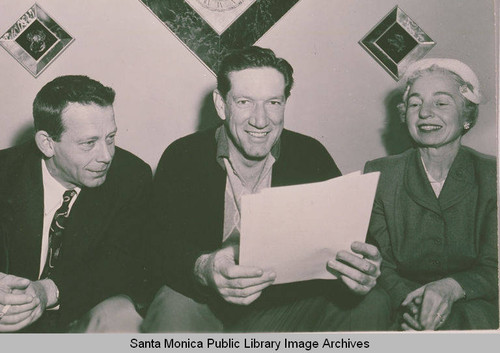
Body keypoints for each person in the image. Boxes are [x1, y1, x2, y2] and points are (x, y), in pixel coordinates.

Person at [143, 46, 388, 332]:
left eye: (273, 103)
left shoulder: (310, 154)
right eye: (245, 102)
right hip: (204, 302)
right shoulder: (183, 155)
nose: (260, 120)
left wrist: (363, 267)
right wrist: (205, 268)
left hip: (280, 308)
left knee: (374, 302)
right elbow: (157, 245)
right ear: (222, 104)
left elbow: (356, 236)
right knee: (172, 304)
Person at [0, 75, 152, 332]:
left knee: (123, 316)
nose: (106, 156)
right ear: (47, 143)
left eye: (111, 138)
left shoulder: (131, 177)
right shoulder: (5, 174)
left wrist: (47, 291)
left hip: (78, 315)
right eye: (89, 143)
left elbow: (124, 266)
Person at [364, 58, 498, 330]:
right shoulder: (379, 174)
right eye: (415, 103)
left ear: (467, 117)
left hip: (471, 303)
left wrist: (451, 288)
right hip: (401, 306)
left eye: (441, 103)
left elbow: (493, 264)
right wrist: (414, 304)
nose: (425, 113)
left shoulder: (491, 175)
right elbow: (382, 265)